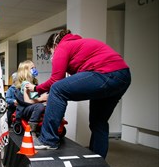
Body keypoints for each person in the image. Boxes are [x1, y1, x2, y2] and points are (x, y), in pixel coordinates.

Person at [26, 29, 131, 157]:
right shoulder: (78, 46)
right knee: (99, 122)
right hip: (123, 76)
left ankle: (48, 140)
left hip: (106, 72)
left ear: (53, 45)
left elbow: (56, 80)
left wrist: (36, 89)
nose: (52, 56)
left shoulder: (63, 46)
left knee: (57, 88)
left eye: (50, 52)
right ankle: (97, 160)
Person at [15, 60, 48, 136]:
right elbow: (27, 101)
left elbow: (35, 97)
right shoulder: (26, 84)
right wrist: (41, 99)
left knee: (46, 106)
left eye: (35, 68)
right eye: (32, 68)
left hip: (31, 108)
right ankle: (32, 130)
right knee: (39, 106)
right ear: (25, 71)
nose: (35, 70)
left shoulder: (34, 83)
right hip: (25, 109)